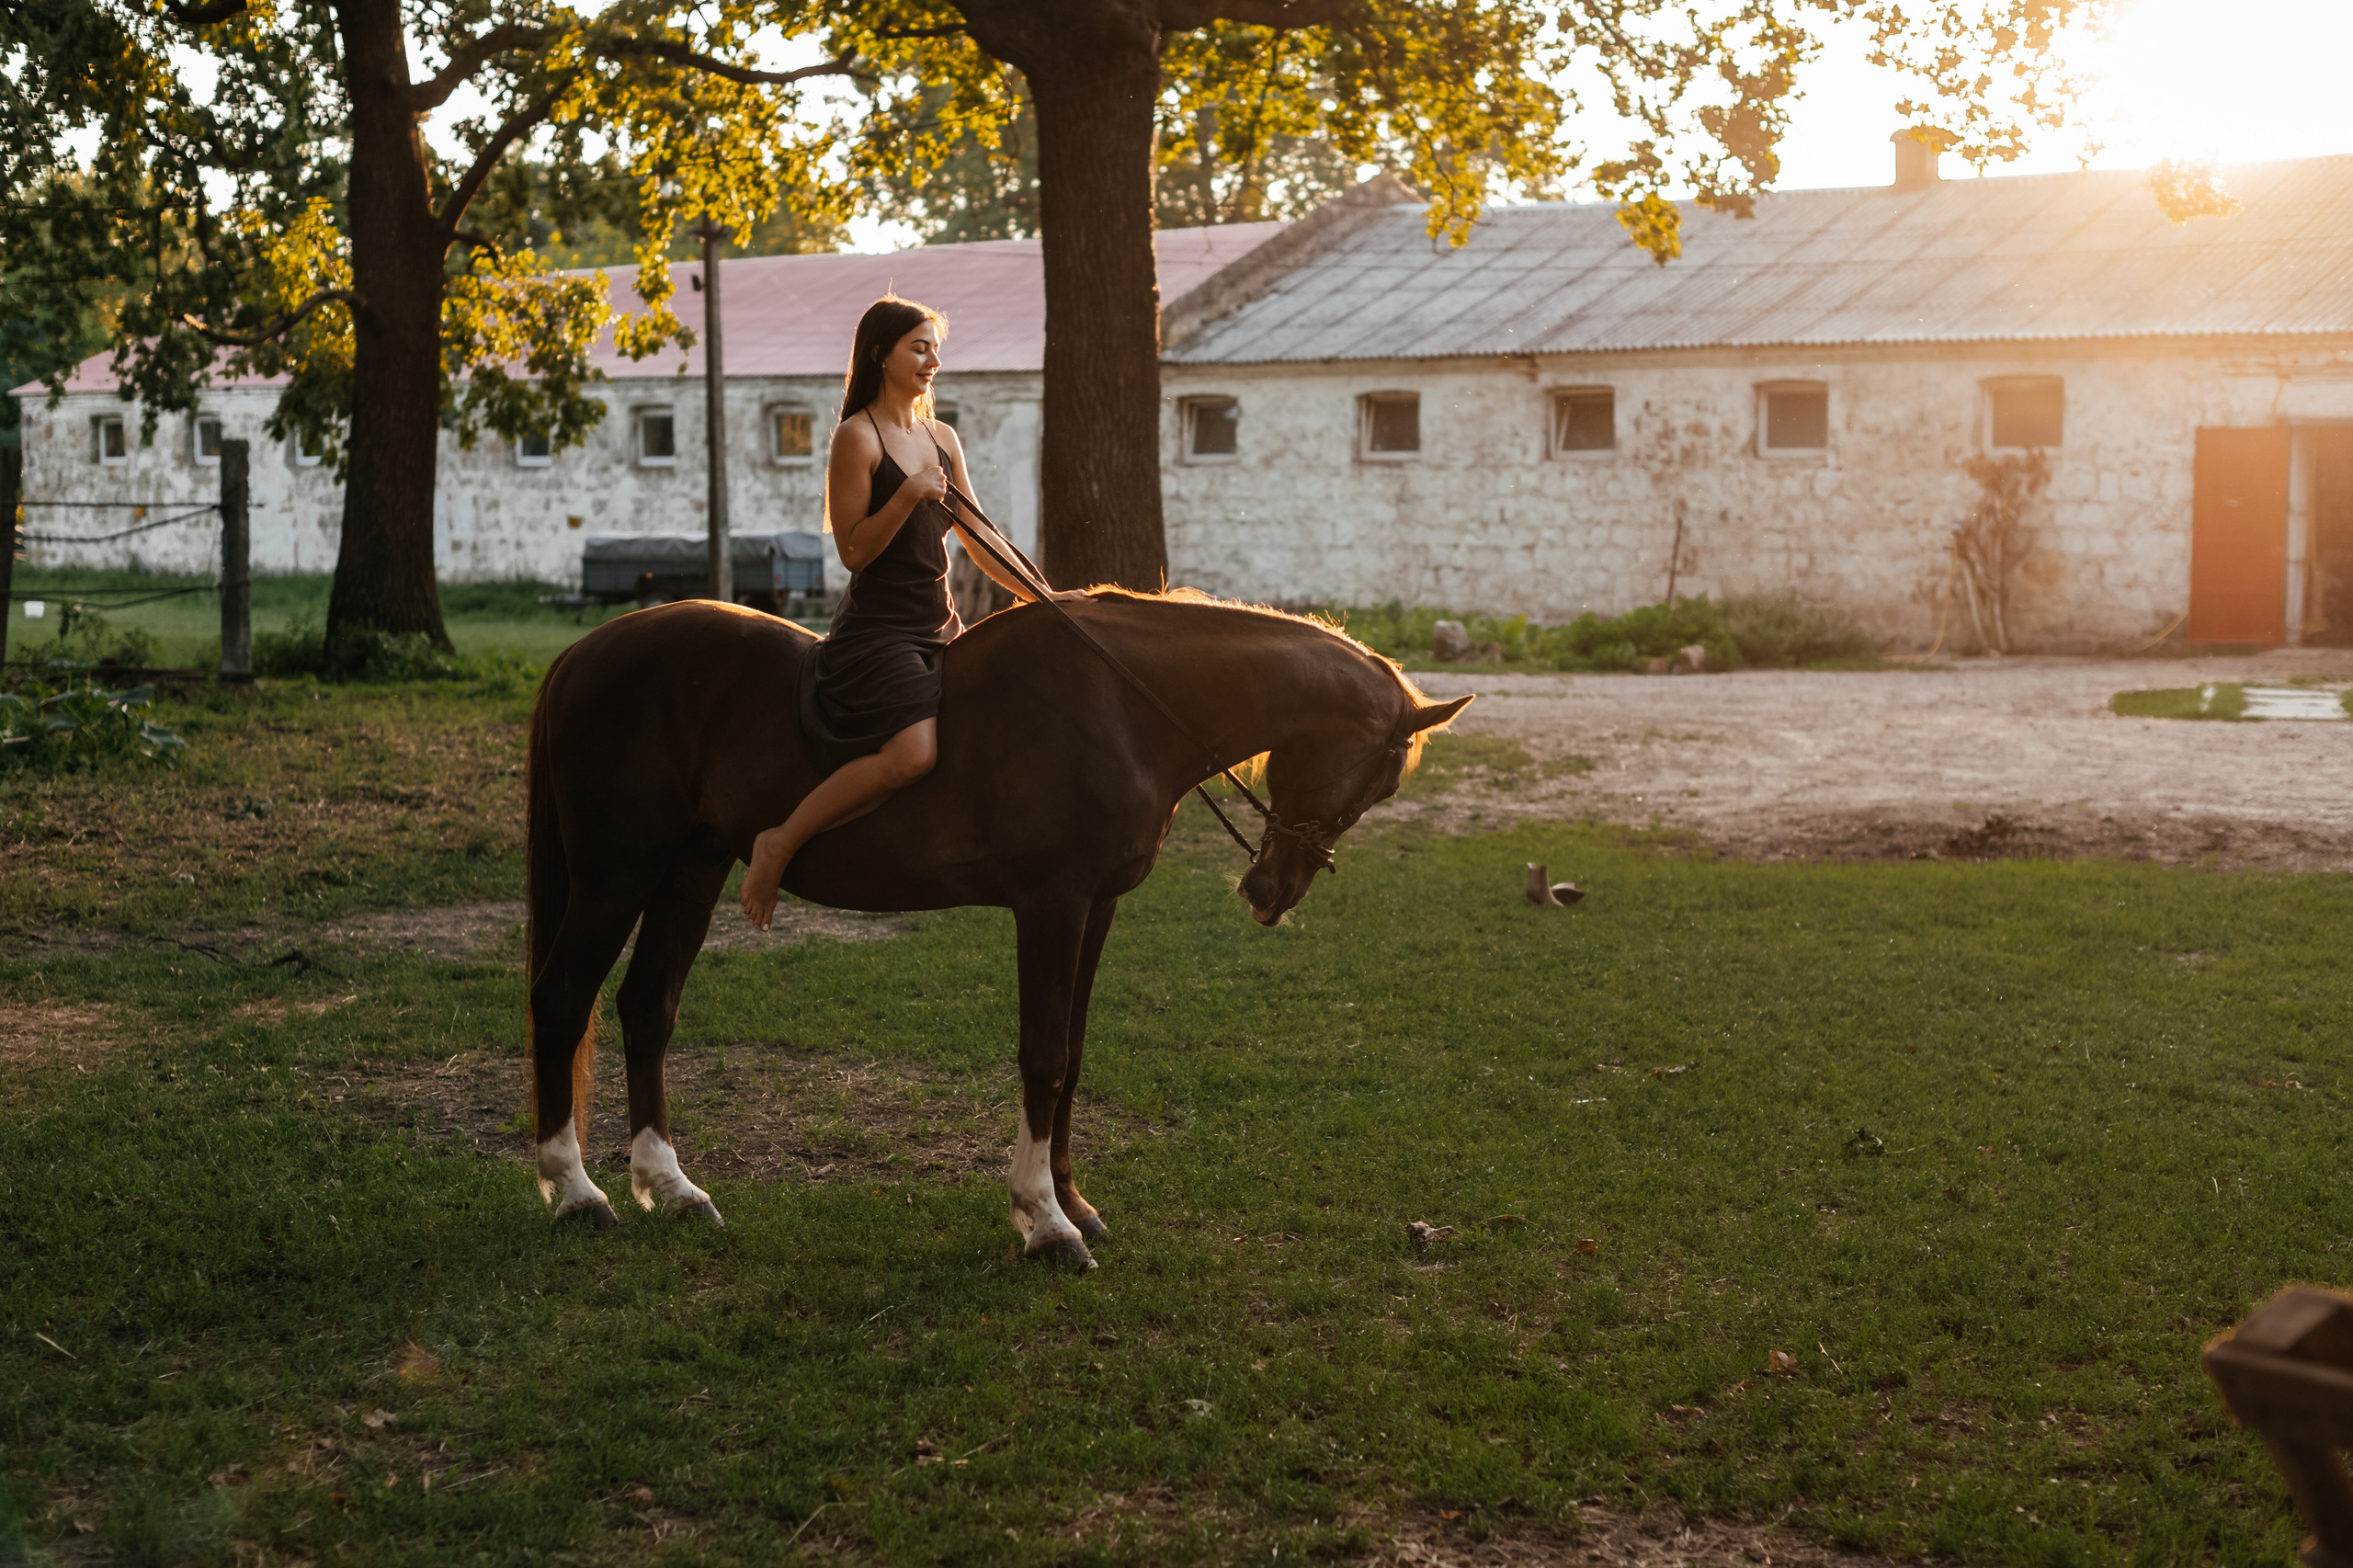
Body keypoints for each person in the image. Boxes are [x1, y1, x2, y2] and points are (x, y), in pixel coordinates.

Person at [739, 296, 1072, 929]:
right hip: (878, 635)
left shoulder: (941, 438)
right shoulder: (856, 437)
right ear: (880, 355)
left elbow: (980, 537)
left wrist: (1044, 596)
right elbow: (854, 551)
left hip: (941, 626)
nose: (933, 360)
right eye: (919, 347)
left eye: (934, 348)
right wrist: (910, 495)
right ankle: (778, 842)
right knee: (913, 757)